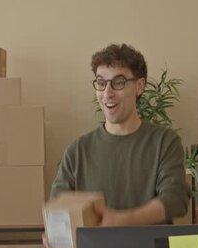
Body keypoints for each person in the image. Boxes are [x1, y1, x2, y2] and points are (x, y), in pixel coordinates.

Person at [50, 43, 190, 225]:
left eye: (118, 83)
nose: (107, 93)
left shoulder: (164, 142)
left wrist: (122, 220)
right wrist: (56, 231)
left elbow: (176, 200)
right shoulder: (78, 151)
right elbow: (58, 207)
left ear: (139, 87)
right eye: (101, 83)